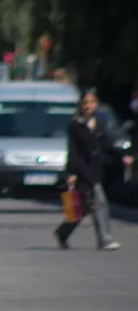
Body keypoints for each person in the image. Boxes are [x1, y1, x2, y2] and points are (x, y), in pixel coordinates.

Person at [56, 89, 124, 250]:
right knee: (100, 203)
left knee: (83, 207)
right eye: (85, 103)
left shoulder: (98, 123)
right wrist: (71, 172)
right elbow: (73, 151)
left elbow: (106, 145)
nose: (88, 106)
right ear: (80, 105)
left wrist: (122, 157)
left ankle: (63, 232)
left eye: (91, 102)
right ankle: (105, 239)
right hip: (82, 170)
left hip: (96, 169)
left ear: (96, 104)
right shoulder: (75, 125)